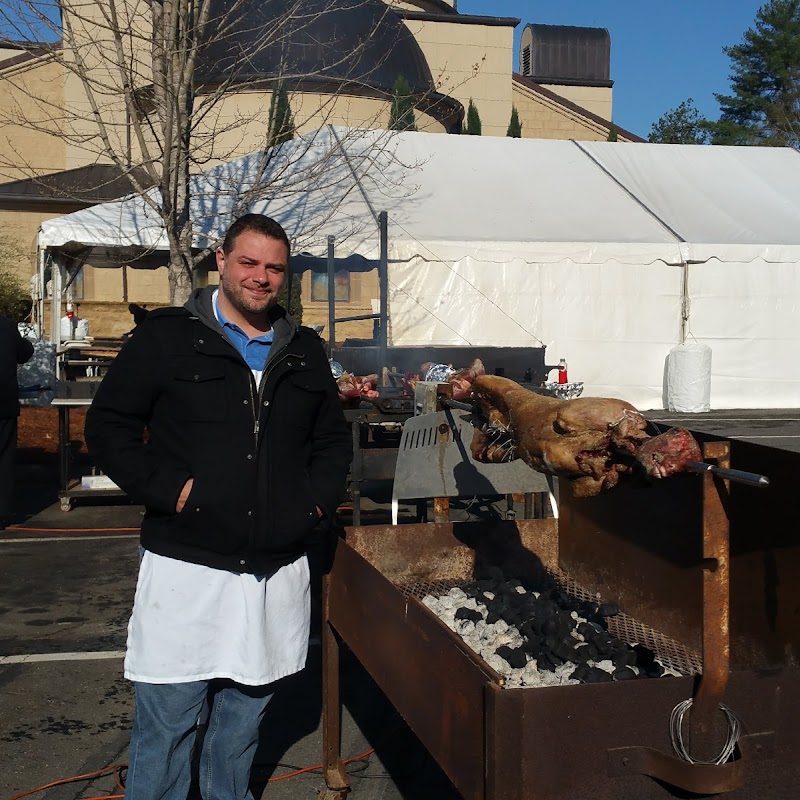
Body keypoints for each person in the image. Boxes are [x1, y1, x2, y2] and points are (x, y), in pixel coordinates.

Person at [84, 214, 353, 800]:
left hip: (274, 569)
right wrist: (171, 490)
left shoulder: (304, 350)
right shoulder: (167, 336)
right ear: (221, 260)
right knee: (170, 721)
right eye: (249, 263)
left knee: (242, 721)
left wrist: (313, 505)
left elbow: (332, 442)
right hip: (187, 565)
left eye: (274, 268)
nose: (261, 278)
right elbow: (108, 427)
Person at [0, 315, 34, 529]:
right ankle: (2, 512)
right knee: (4, 458)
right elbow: (24, 353)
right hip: (4, 402)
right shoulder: (6, 326)